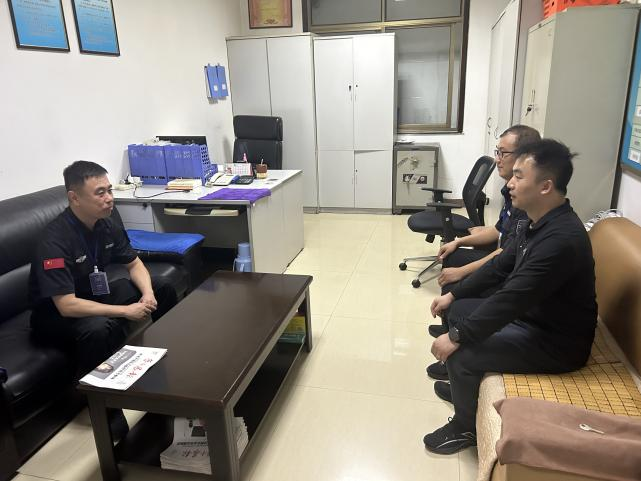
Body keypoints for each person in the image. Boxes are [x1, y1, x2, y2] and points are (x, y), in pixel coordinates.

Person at [422, 139, 597, 455]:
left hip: (556, 342)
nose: (509, 184)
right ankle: (464, 386)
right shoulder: (537, 222)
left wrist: (457, 337)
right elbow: (500, 265)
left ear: (545, 186)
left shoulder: (561, 240)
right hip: (533, 319)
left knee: (462, 353)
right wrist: (454, 295)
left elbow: (512, 299)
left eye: (518, 176)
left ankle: (465, 428)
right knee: (459, 309)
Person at [29, 161, 177, 438]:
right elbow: (66, 305)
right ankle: (107, 410)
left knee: (162, 288)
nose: (109, 198)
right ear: (74, 198)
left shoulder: (105, 225)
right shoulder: (54, 240)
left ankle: (167, 364)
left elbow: (134, 264)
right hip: (56, 314)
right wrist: (124, 311)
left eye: (109, 190)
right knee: (98, 328)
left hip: (94, 295)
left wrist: (147, 294)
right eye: (100, 193)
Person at [426, 125, 540, 381]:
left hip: (512, 280)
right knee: (453, 260)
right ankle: (448, 326)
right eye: (497, 152)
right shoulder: (513, 193)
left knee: (458, 288)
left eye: (503, 153)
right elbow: (500, 232)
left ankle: (452, 349)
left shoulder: (532, 208)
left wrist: (461, 273)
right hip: (506, 265)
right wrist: (459, 242)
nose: (497, 159)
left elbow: (504, 255)